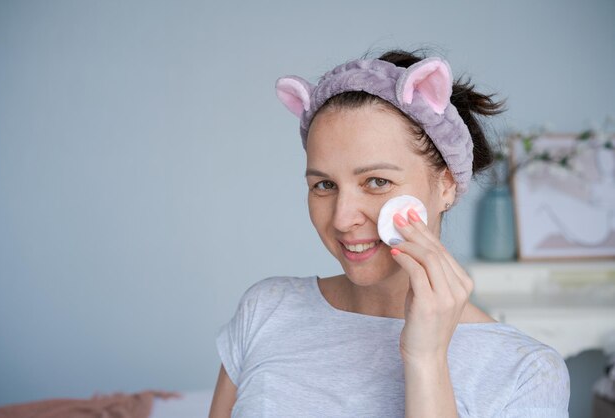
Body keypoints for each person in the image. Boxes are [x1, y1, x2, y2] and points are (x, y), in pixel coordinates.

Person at [208, 49, 570, 417]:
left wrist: (427, 359)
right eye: (323, 185)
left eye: (377, 181)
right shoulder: (266, 310)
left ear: (446, 185)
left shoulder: (527, 372)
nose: (342, 219)